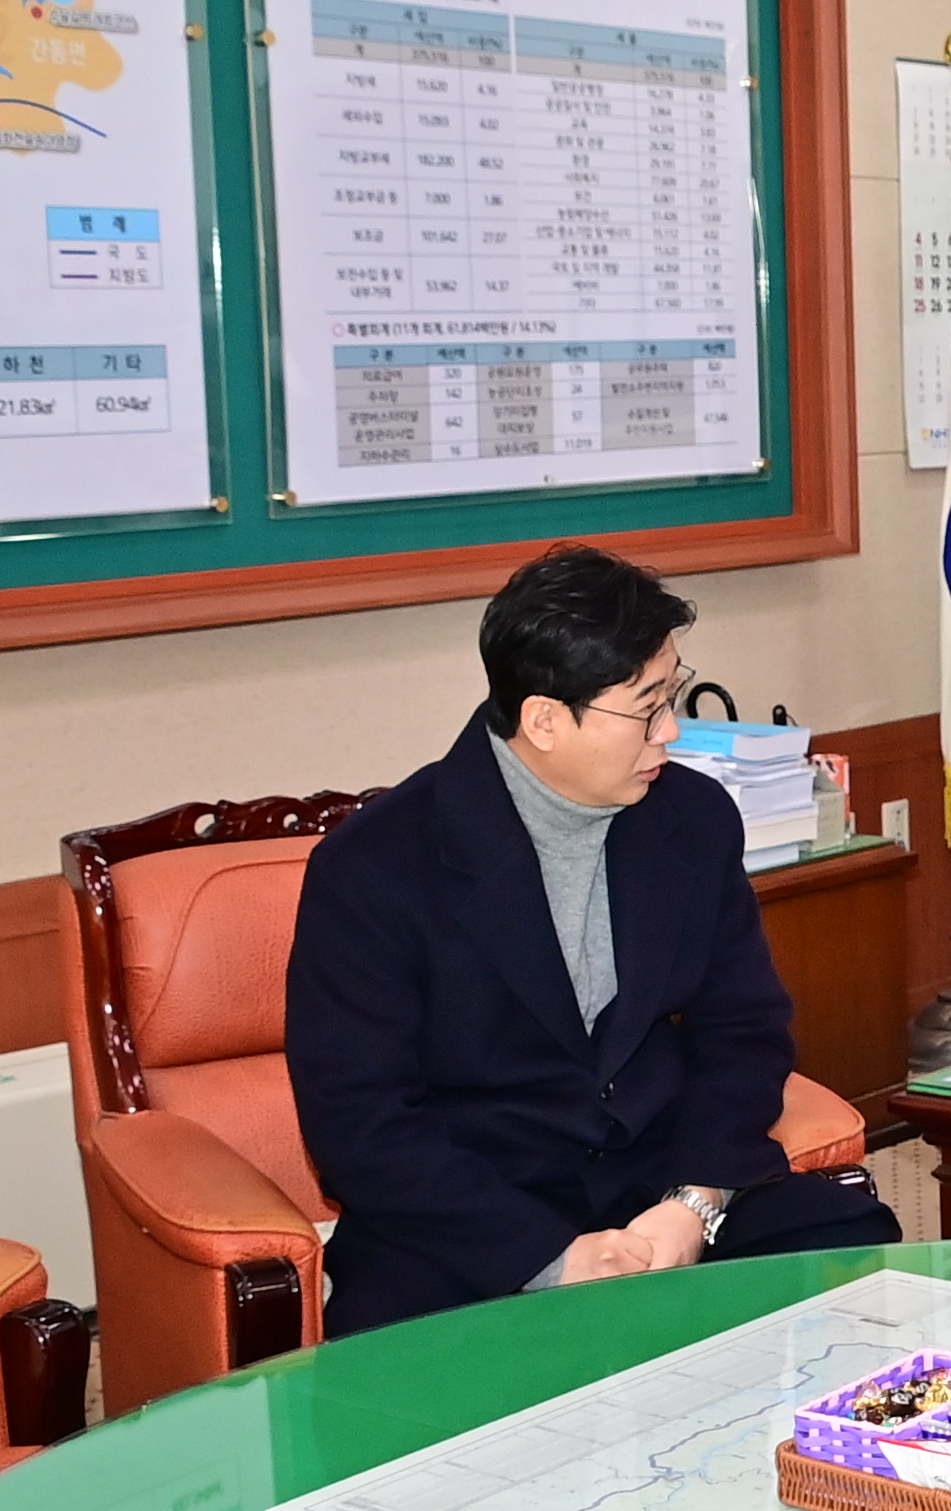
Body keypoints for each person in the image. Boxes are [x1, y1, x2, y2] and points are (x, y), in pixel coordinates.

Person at [288, 544, 897, 1337]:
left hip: (655, 1191)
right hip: (472, 1220)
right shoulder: (377, 866)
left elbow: (744, 1031)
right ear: (545, 719)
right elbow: (359, 1123)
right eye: (646, 708)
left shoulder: (690, 819)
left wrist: (696, 1202)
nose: (670, 731)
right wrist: (548, 1258)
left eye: (671, 695)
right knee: (414, 1370)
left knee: (850, 1247)